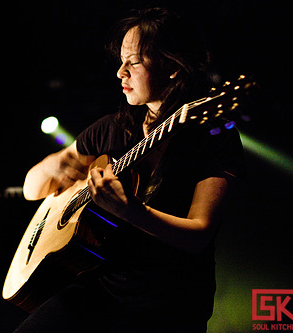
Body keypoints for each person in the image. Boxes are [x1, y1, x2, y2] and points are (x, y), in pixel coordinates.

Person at [15, 7, 245, 333]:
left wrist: (128, 210)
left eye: (133, 61)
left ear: (173, 67)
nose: (120, 72)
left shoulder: (213, 136)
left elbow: (198, 233)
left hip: (169, 304)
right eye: (121, 60)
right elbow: (31, 189)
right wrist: (57, 171)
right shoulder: (111, 128)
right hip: (101, 286)